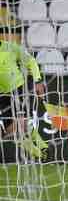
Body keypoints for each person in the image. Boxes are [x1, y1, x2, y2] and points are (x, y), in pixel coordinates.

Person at [0, 26, 47, 160]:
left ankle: (40, 151)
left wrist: (37, 80)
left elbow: (31, 61)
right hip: (2, 96)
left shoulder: (10, 47)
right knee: (12, 130)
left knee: (19, 124)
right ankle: (41, 151)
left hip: (18, 89)